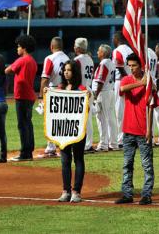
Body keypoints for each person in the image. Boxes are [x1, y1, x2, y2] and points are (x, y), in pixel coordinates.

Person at [115, 54, 158, 206]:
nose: (131, 68)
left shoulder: (149, 84)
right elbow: (122, 88)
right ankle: (127, 194)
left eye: (134, 65)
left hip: (143, 130)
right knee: (127, 164)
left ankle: (147, 195)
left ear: (141, 66)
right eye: (130, 65)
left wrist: (149, 130)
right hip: (128, 129)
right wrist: (141, 83)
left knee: (147, 165)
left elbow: (152, 107)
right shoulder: (127, 79)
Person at [50, 60, 87, 203]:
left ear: (75, 72)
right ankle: (66, 191)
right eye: (65, 70)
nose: (66, 72)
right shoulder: (60, 87)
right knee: (65, 160)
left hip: (77, 130)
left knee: (78, 159)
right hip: (63, 130)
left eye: (69, 70)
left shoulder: (82, 88)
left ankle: (76, 191)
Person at [5, 35, 37, 162]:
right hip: (29, 95)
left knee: (22, 125)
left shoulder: (22, 60)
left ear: (24, 48)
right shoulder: (32, 61)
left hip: (22, 96)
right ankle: (29, 150)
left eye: (19, 46)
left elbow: (8, 70)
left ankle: (25, 153)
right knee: (28, 123)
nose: (17, 48)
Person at [41, 37, 70, 157]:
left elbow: (45, 79)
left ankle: (51, 147)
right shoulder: (68, 58)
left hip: (52, 90)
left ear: (51, 46)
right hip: (65, 90)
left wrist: (41, 96)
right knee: (63, 119)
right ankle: (63, 145)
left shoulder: (50, 58)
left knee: (50, 119)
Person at [92, 44, 117, 152]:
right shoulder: (111, 62)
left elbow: (100, 81)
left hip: (103, 92)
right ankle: (113, 143)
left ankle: (103, 144)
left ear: (103, 53)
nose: (97, 52)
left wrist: (95, 95)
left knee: (102, 119)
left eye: (99, 50)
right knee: (110, 118)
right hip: (110, 91)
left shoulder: (104, 63)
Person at [73, 38, 95, 152]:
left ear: (78, 48)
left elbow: (75, 77)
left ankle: (85, 145)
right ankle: (88, 144)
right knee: (88, 118)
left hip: (81, 89)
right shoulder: (90, 59)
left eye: (75, 46)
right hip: (89, 88)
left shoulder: (77, 60)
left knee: (81, 118)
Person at [113, 33, 133, 149]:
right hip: (131, 81)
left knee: (119, 112)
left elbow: (120, 68)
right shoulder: (130, 50)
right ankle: (129, 137)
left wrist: (126, 81)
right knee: (128, 111)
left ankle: (121, 139)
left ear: (117, 39)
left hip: (121, 81)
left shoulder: (117, 50)